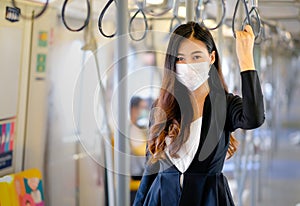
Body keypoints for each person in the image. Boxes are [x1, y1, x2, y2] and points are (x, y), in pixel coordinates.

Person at [133, 21, 265, 206]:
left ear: (211, 58)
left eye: (196, 57)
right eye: (180, 58)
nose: (188, 65)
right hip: (162, 198)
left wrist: (246, 60)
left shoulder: (224, 104)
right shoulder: (163, 106)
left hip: (208, 198)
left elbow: (254, 118)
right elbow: (151, 168)